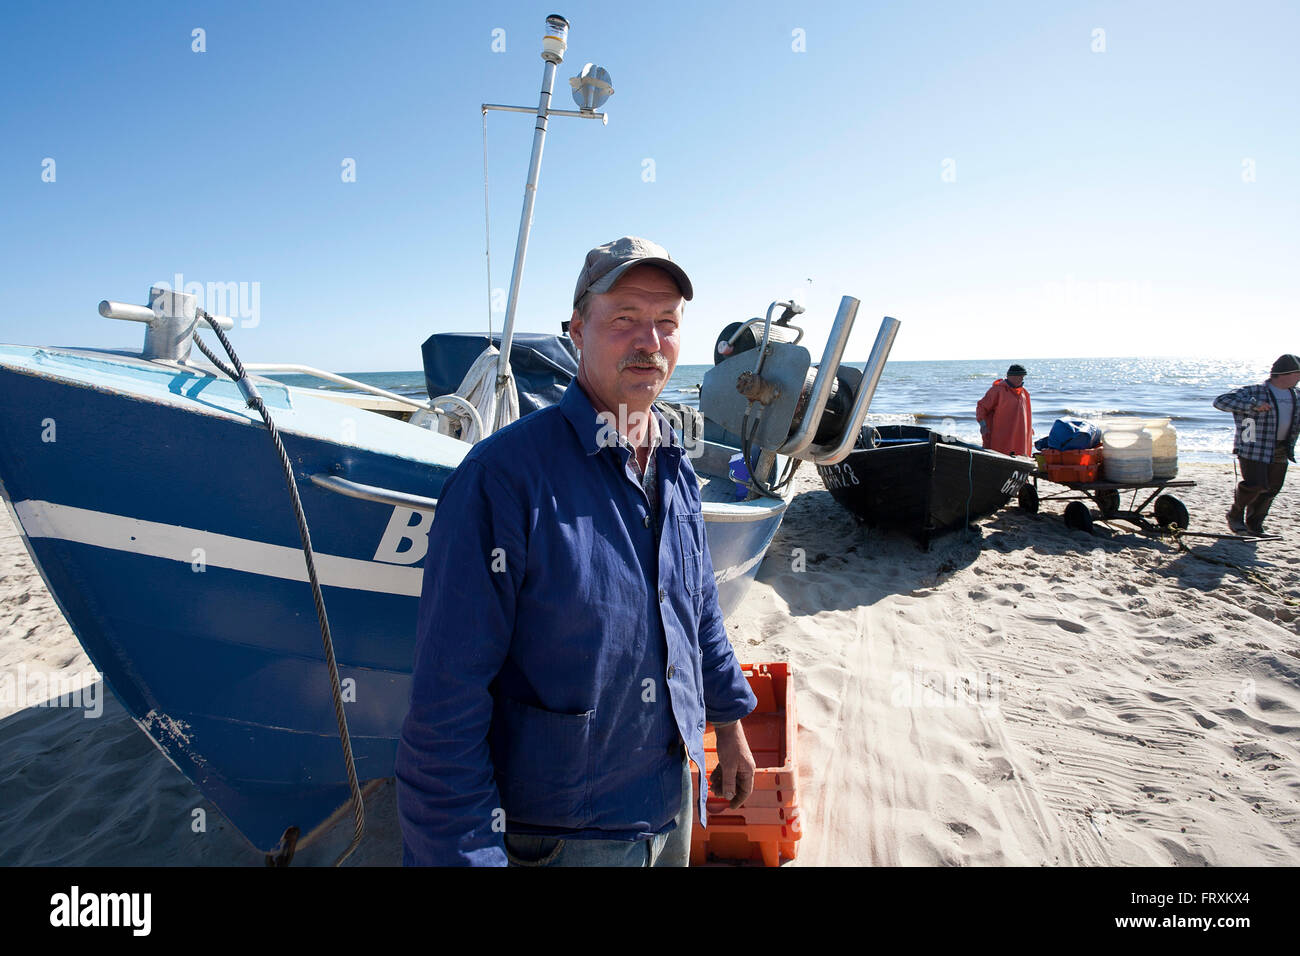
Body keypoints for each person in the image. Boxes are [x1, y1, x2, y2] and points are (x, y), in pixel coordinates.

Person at [395, 236, 759, 866]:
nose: (649, 340)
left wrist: (728, 724)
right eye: (624, 319)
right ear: (576, 331)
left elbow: (699, 611)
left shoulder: (674, 462)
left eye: (666, 323)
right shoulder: (502, 479)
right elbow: (444, 707)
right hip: (560, 836)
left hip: (668, 808)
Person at [1213, 354, 1300, 535]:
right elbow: (1221, 401)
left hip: (1282, 447)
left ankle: (1254, 524)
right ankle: (1235, 515)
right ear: (1285, 374)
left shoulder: (1296, 394)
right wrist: (1252, 405)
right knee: (1255, 484)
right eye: (1298, 373)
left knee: (1272, 488)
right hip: (1253, 447)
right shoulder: (1255, 391)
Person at [976, 363, 1034, 457]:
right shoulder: (997, 390)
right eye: (1020, 376)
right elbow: (981, 407)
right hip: (1001, 434)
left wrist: (1029, 428)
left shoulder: (1024, 393)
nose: (1022, 379)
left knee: (1021, 453)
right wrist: (983, 425)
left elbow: (1026, 414)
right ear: (1011, 376)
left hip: (1020, 433)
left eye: (1023, 376)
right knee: (1001, 453)